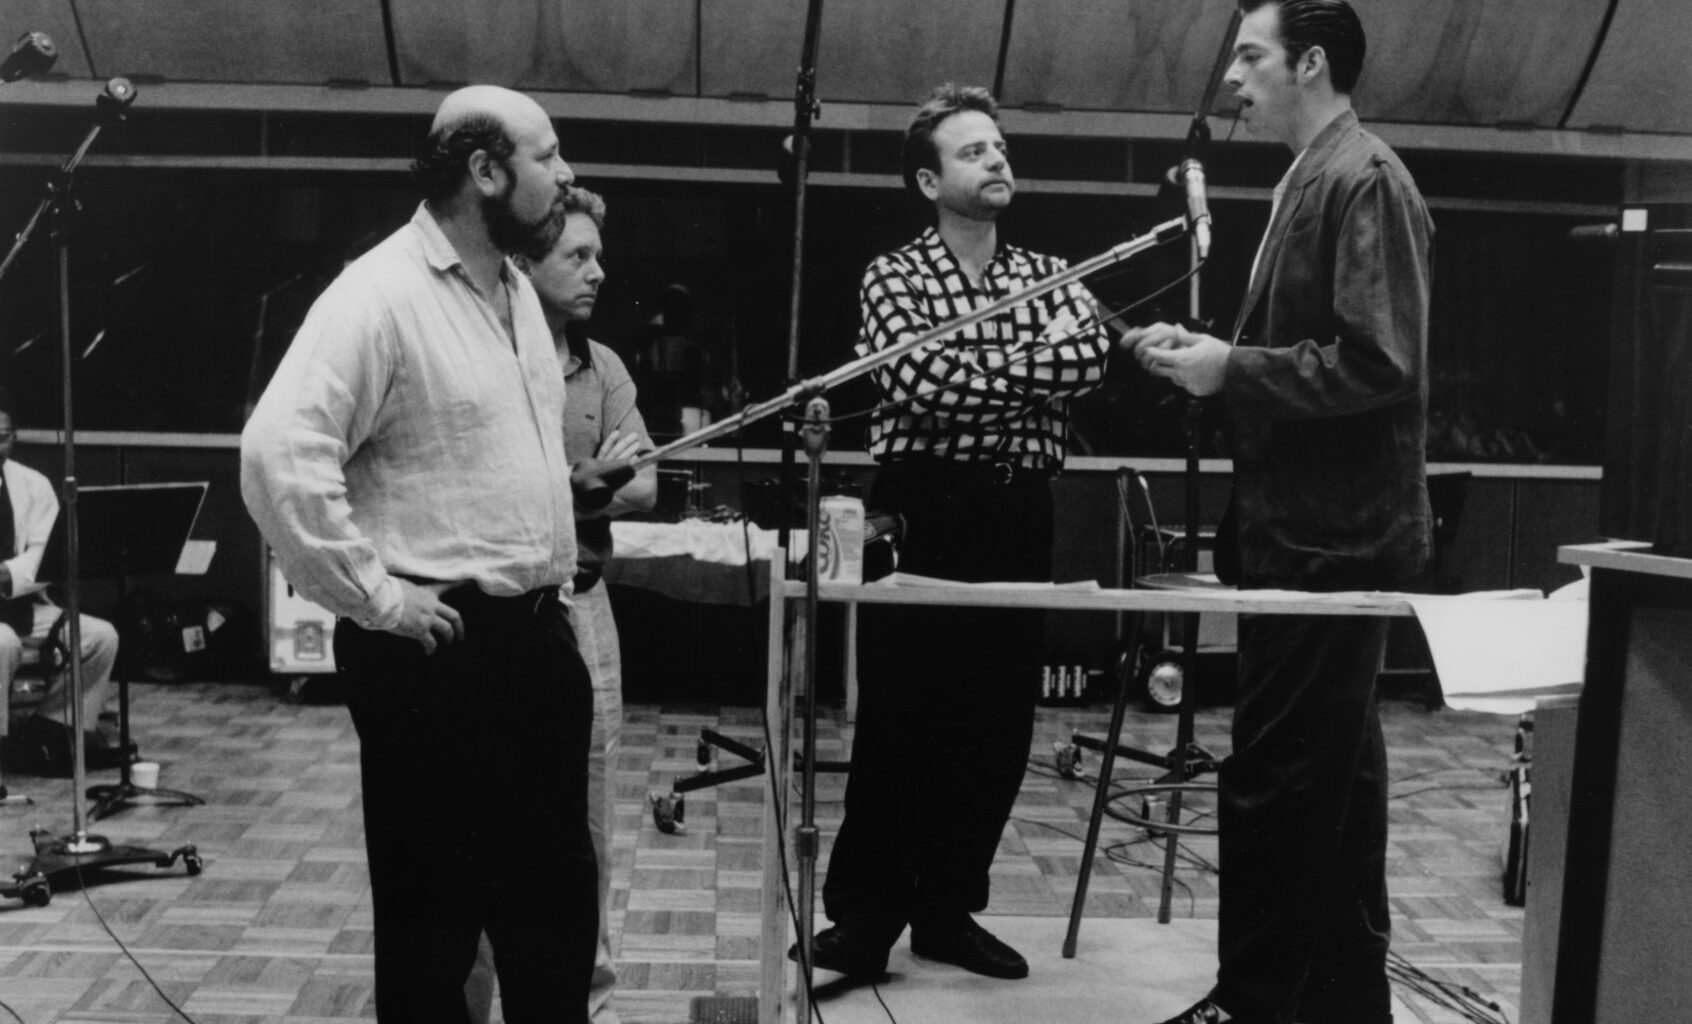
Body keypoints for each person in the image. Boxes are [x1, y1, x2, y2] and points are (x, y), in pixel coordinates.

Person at [240, 85, 600, 1024]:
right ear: (485, 171)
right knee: (432, 930)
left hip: (533, 640)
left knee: (553, 919)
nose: (566, 174)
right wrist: (377, 599)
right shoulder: (379, 293)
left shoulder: (516, 292)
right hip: (436, 651)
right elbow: (278, 453)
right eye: (548, 155)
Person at [1125, 3, 1433, 1022]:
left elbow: (1380, 361)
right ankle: (1347, 1002)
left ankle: (1252, 1004)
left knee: (1276, 775)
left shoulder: (1362, 178)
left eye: (1250, 56)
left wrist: (1233, 369)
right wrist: (1217, 364)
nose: (1233, 78)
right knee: (1336, 783)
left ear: (1311, 63)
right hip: (1307, 533)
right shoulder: (1317, 175)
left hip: (1328, 540)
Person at [798, 83, 1112, 982]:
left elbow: (1087, 359)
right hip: (926, 506)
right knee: (903, 716)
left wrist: (977, 367)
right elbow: (916, 384)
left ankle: (945, 912)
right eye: (974, 151)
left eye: (999, 146)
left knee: (997, 720)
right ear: (929, 182)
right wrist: (1026, 367)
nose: (997, 159)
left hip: (1019, 509)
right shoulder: (893, 275)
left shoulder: (1049, 271)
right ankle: (865, 922)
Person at [463, 186, 657, 1024]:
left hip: (584, 608)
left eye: (599, 256)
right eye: (578, 256)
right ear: (522, 263)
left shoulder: (602, 367)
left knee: (589, 818)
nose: (598, 272)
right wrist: (573, 483)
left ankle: (584, 1003)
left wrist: (581, 493)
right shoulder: (481, 359)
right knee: (479, 826)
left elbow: (643, 483)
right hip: (496, 615)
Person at [0, 386, 126, 777]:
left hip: (21, 605)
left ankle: (50, 733)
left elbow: (46, 556)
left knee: (100, 637)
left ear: (14, 437)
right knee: (2, 643)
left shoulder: (32, 484)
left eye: (2, 436)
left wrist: (6, 574)